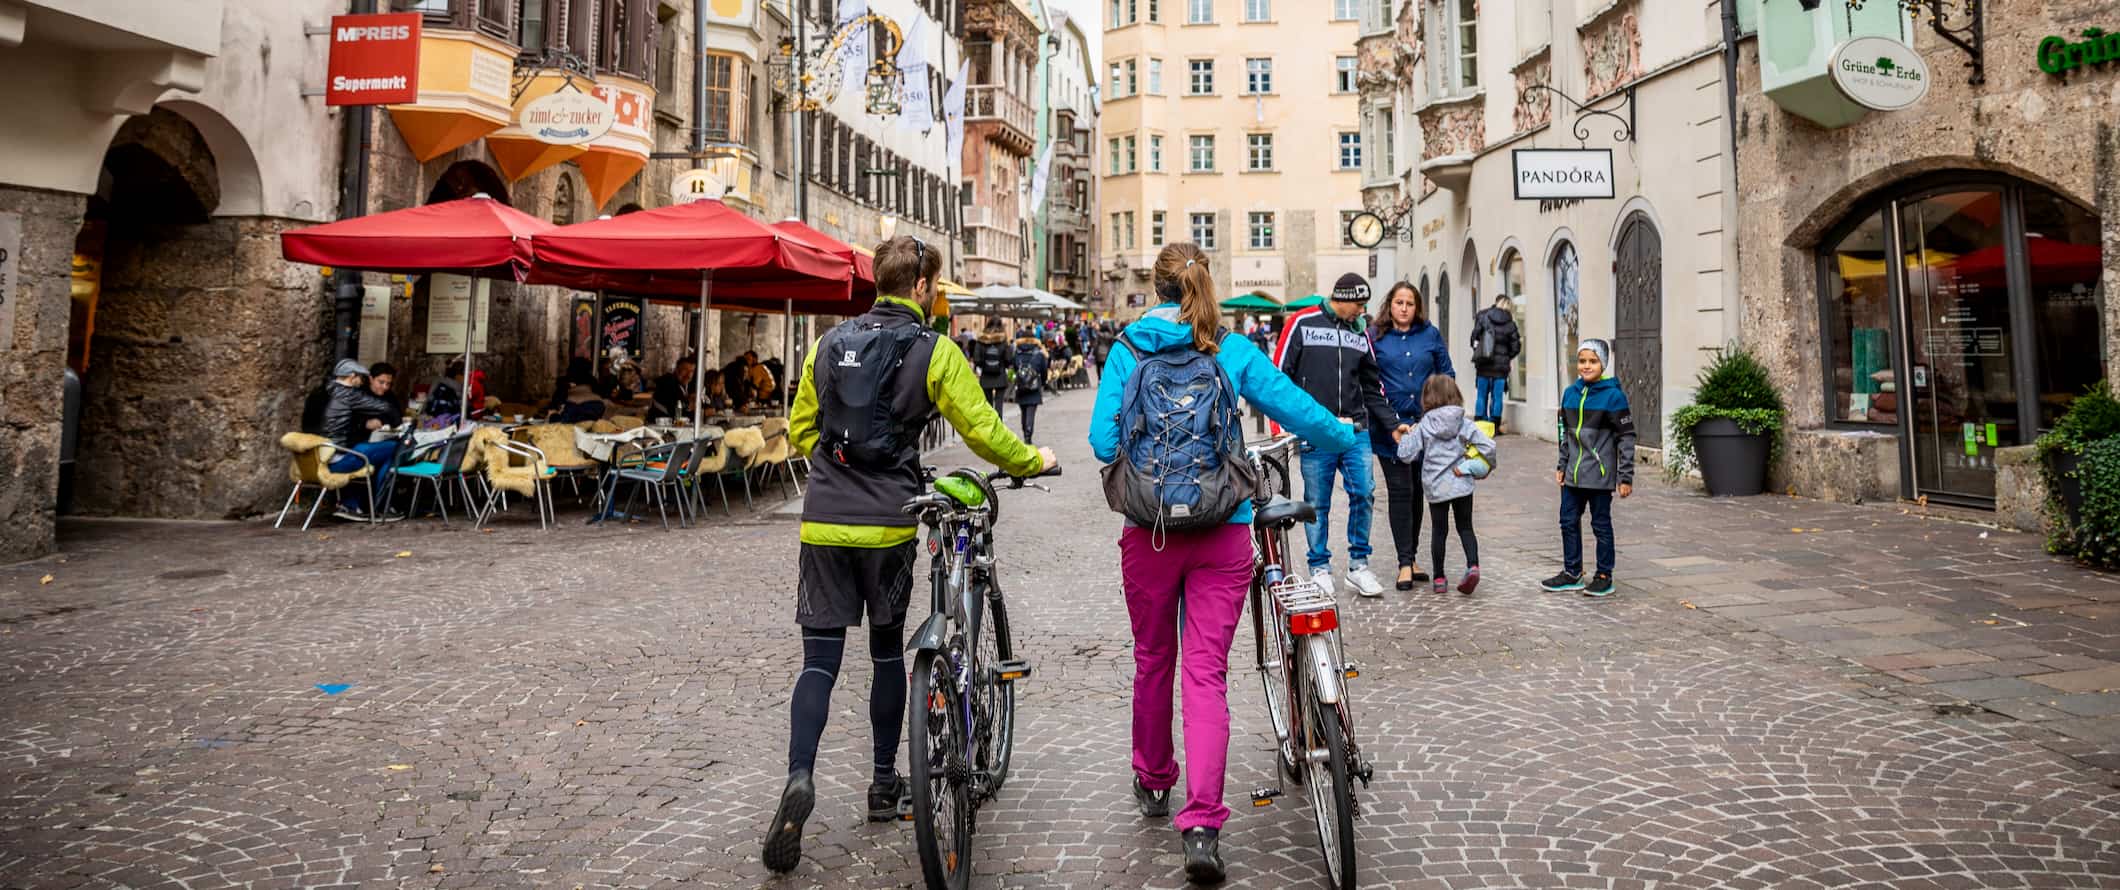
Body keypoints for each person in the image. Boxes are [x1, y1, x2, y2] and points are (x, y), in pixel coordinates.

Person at [763, 236, 1056, 873]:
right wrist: (1035, 459)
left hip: (824, 522)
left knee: (819, 661)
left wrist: (834, 465)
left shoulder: (828, 344)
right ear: (921, 286)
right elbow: (982, 429)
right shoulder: (934, 351)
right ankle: (881, 783)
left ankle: (800, 775)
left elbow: (801, 429)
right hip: (889, 525)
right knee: (887, 649)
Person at [1091, 242, 1356, 885]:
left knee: (1155, 659)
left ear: (1153, 286)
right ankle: (1204, 824)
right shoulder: (1229, 347)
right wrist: (1348, 436)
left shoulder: (1128, 348)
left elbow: (1102, 441)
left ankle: (1154, 778)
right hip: (1225, 530)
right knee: (1205, 673)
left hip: (1149, 532)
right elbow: (1298, 410)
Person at [1272, 272, 1399, 599]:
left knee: (1364, 493)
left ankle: (1359, 566)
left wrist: (1391, 423)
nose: (1361, 311)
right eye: (1358, 304)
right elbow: (1278, 376)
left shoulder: (1360, 333)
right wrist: (1280, 425)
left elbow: (1373, 386)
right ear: (1341, 298)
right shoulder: (1303, 323)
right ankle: (1319, 567)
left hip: (1355, 430)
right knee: (1317, 502)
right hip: (1317, 429)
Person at [1369, 282, 1454, 593]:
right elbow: (1368, 380)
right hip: (1390, 428)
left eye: (1409, 303)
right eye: (1398, 302)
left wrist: (1437, 414)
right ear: (1389, 305)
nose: (1404, 308)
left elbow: (1447, 374)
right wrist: (1389, 419)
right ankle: (1404, 562)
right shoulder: (1375, 337)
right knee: (1400, 491)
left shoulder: (1429, 335)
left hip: (1424, 426)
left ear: (1417, 307)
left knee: (1419, 490)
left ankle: (1413, 556)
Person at [1542, 338, 1636, 597]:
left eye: (1593, 361)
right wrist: (1562, 463)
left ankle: (1604, 575)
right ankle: (1572, 572)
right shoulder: (1570, 393)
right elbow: (1565, 433)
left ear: (1603, 364)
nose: (1586, 366)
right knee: (1567, 521)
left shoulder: (1613, 397)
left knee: (1601, 525)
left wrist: (1625, 476)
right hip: (1572, 474)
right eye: (1582, 360)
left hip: (1599, 476)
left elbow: (1626, 437)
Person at [1396, 375, 1496, 596]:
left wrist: (1406, 435)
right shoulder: (1464, 422)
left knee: (1439, 532)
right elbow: (1488, 446)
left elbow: (1405, 455)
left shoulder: (1424, 425)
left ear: (1427, 398)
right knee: (1466, 527)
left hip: (1435, 486)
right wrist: (1487, 467)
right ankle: (1473, 566)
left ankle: (1440, 578)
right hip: (1461, 481)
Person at [318, 359, 403, 521]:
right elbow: (388, 409)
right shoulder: (349, 393)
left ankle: (353, 505)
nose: (361, 382)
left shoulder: (324, 392)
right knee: (396, 448)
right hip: (339, 459)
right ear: (351, 376)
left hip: (318, 456)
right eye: (361, 378)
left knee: (384, 456)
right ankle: (381, 506)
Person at [1469, 294, 1523, 432]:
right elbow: (1516, 346)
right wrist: (1506, 357)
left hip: (1483, 364)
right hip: (1501, 368)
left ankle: (1480, 424)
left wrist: (1478, 350)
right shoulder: (1510, 324)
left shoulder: (1484, 317)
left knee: (1481, 395)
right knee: (1497, 397)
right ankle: (1494, 426)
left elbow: (1474, 337)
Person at [1011, 327, 1050, 443]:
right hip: (1034, 387)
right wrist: (1042, 382)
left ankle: (1025, 432)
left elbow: (1014, 367)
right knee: (1031, 412)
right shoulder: (1039, 353)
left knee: (1023, 411)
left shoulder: (1017, 352)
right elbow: (1044, 371)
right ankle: (1028, 436)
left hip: (1021, 387)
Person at [970, 318, 1012, 409]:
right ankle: (998, 422)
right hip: (1000, 376)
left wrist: (984, 366)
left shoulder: (981, 339)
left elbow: (976, 359)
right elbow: (1008, 359)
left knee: (988, 406)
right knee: (999, 405)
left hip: (986, 376)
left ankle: (989, 423)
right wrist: (1003, 365)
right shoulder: (1003, 340)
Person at [357, 362, 406, 431]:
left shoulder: (389, 395)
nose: (385, 387)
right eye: (381, 382)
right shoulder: (359, 395)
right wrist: (365, 423)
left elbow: (397, 416)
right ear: (371, 379)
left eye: (388, 383)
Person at [650, 354, 698, 421]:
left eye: (692, 371)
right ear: (676, 369)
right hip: (660, 427)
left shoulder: (687, 386)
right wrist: (690, 404)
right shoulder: (667, 383)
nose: (689, 375)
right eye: (685, 370)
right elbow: (677, 413)